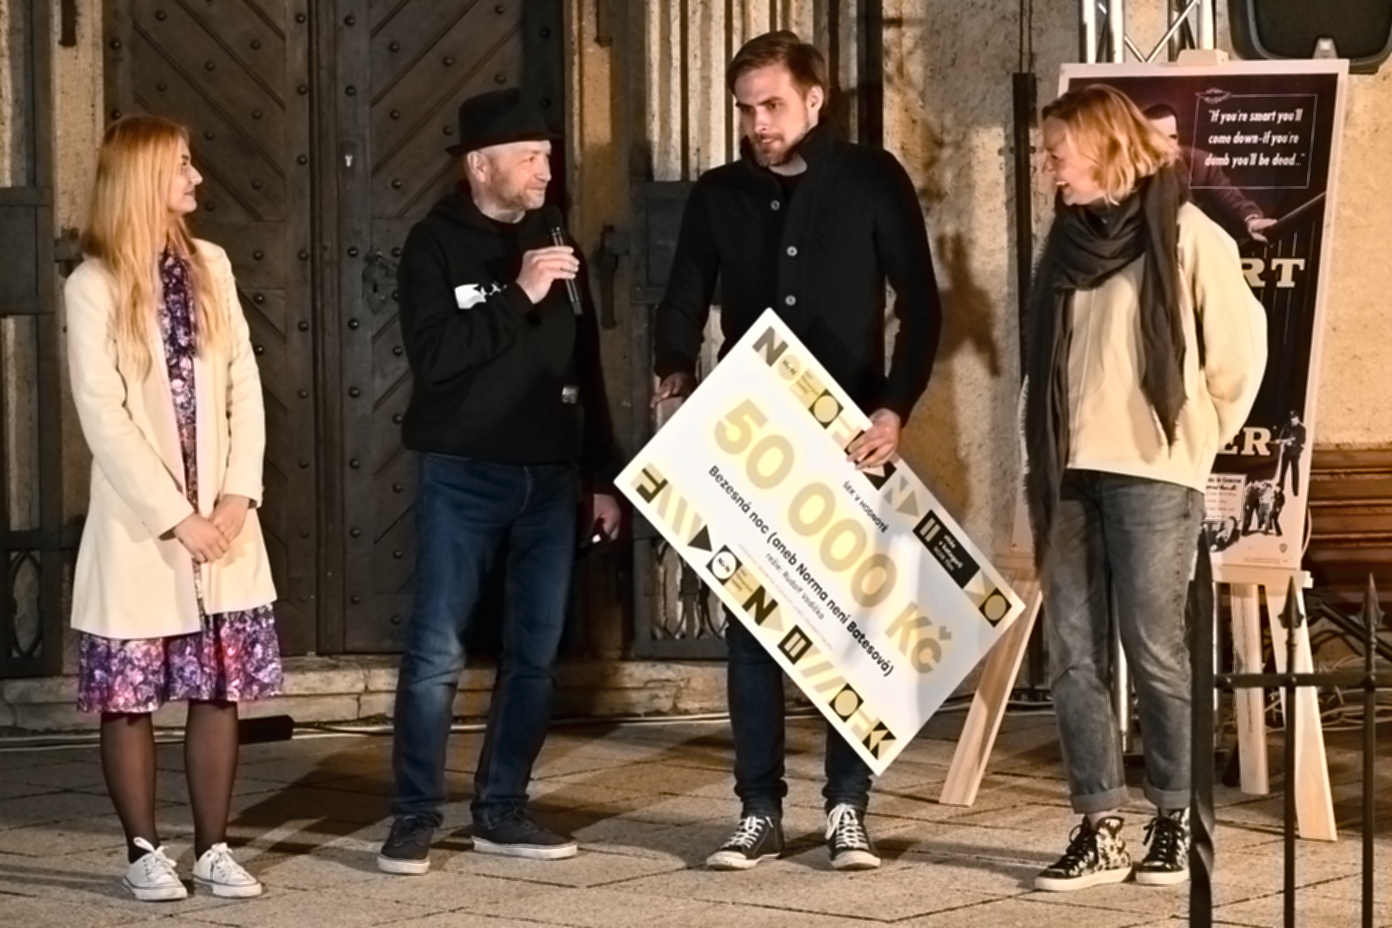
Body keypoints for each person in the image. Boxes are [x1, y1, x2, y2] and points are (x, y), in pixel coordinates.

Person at [652, 31, 943, 872]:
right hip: (752, 432)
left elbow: (921, 305)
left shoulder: (873, 178)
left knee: (848, 629)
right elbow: (683, 297)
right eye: (746, 109)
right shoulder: (718, 193)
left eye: (772, 105)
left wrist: (894, 408)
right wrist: (672, 375)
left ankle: (849, 805)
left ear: (815, 100)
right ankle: (758, 810)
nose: (758, 124)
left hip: (850, 436)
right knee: (751, 628)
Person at [1024, 84, 1266, 892]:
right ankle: (1099, 827)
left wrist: (1193, 441)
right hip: (1068, 470)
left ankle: (1176, 816)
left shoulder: (1190, 235)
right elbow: (1048, 362)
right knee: (1072, 654)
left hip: (1155, 472)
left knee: (1157, 651)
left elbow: (1238, 358)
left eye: (1057, 153)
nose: (1049, 168)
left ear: (1104, 147)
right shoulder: (1064, 244)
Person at [377, 88, 620, 875]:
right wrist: (519, 294)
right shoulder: (435, 245)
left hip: (550, 479)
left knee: (535, 656)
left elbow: (585, 361)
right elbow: (437, 359)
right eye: (529, 157)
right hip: (464, 473)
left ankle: (502, 808)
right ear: (481, 166)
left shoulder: (556, 235)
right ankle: (414, 815)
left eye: (548, 155)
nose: (546, 169)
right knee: (437, 653)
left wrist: (601, 474)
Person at [65, 115, 282, 901]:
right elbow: (103, 415)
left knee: (218, 688)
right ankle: (143, 850)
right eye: (182, 165)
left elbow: (244, 383)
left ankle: (214, 848)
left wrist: (238, 494)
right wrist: (176, 516)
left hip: (224, 524)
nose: (197, 178)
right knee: (129, 696)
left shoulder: (210, 265)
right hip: (143, 531)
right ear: (142, 178)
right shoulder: (92, 285)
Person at [1143, 103, 1277, 244]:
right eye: (1157, 138)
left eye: (1172, 137)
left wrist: (1252, 221)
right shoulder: (1128, 168)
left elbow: (1231, 201)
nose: (1167, 146)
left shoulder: (1200, 163)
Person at [1275, 410, 1306, 496]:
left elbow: (1302, 441)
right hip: (1287, 452)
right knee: (1283, 471)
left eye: (1294, 418)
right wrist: (1280, 441)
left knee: (1295, 472)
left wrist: (1293, 444)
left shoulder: (1302, 429)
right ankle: (1281, 487)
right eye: (1291, 418)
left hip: (1295, 453)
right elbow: (1282, 438)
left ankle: (1295, 490)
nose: (1292, 419)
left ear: (1297, 418)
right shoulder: (1287, 427)